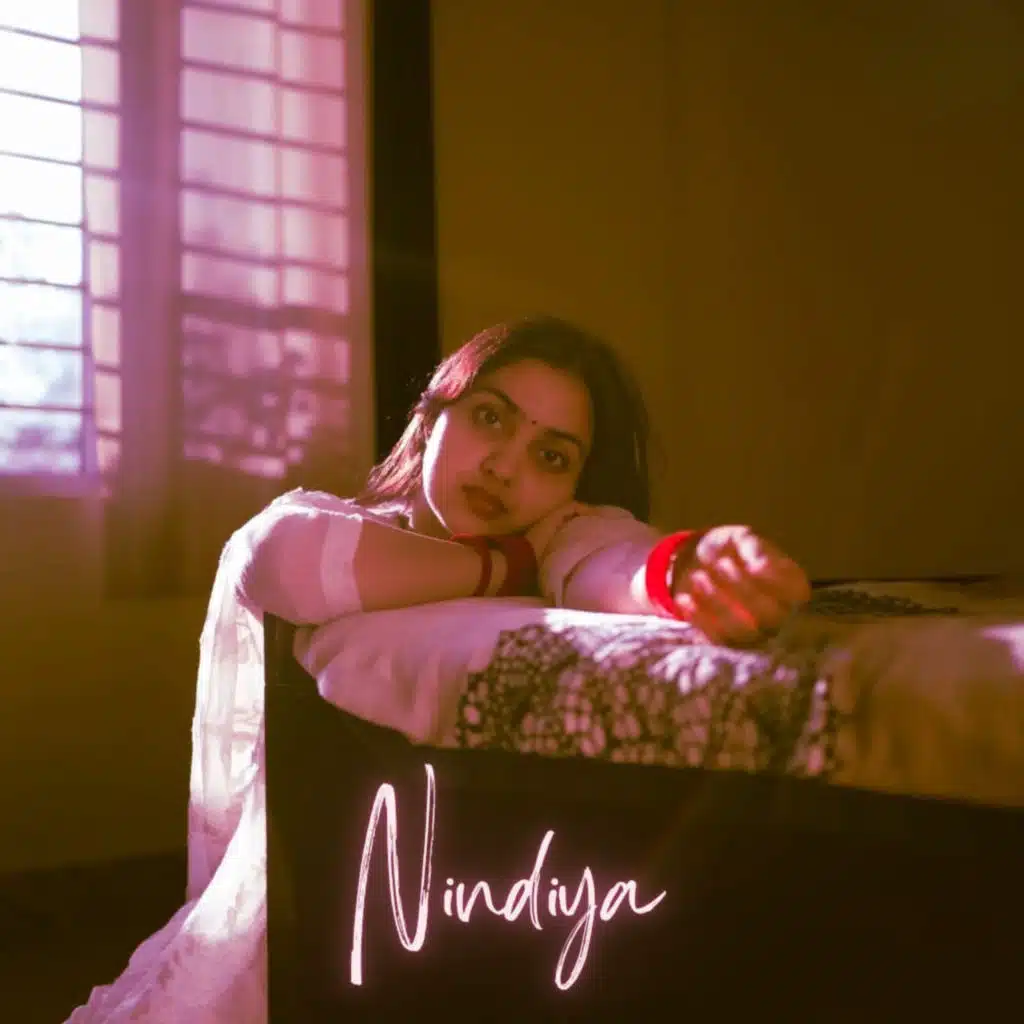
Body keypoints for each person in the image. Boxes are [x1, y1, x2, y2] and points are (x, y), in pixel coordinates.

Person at [66, 315, 810, 1024]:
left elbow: (610, 559)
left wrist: (681, 571)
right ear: (430, 417)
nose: (504, 466)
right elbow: (279, 561)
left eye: (552, 456)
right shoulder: (343, 526)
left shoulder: (562, 534)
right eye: (490, 418)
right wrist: (500, 567)